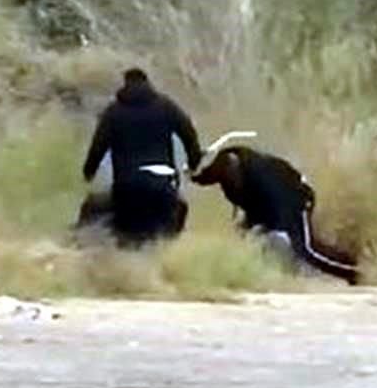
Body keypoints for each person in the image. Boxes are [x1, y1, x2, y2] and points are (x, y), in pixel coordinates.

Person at [191, 145, 361, 285]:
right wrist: (193, 173)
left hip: (297, 199)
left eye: (234, 180)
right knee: (245, 239)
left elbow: (281, 213)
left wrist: (274, 227)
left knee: (306, 249)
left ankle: (355, 272)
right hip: (263, 206)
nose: (231, 183)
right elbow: (204, 177)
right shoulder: (224, 164)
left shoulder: (265, 181)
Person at [78, 68, 203, 247]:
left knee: (94, 211)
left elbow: (97, 148)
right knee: (179, 211)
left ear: (125, 84)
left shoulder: (113, 112)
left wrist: (88, 173)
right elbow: (189, 135)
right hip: (162, 193)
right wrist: (194, 163)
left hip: (126, 193)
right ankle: (168, 255)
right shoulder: (167, 107)